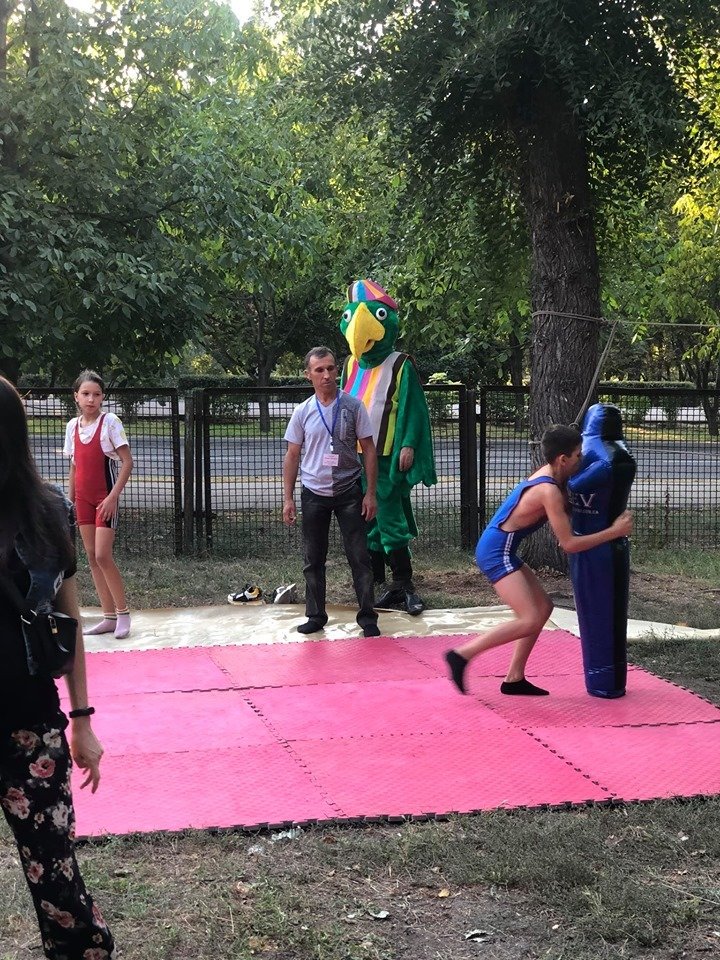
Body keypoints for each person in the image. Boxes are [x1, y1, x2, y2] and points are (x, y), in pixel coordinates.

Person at [0, 375, 115, 960]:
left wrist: (83, 720)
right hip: (31, 722)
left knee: (57, 880)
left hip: (31, 726)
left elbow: (67, 625)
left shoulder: (49, 511)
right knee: (57, 878)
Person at [445, 425, 633, 697]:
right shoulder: (548, 491)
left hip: (502, 547)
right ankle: (461, 655)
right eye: (578, 455)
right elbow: (569, 544)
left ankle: (514, 678)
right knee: (530, 618)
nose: (582, 460)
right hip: (496, 552)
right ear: (563, 459)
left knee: (544, 607)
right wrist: (614, 532)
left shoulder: (551, 476)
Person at [282, 347, 381, 637]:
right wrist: (288, 498)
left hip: (349, 490)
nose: (327, 375)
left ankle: (367, 617)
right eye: (319, 370)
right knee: (313, 559)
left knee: (359, 556)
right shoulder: (302, 411)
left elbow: (369, 449)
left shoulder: (353, 406)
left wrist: (370, 493)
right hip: (314, 492)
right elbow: (292, 454)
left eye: (331, 368)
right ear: (308, 375)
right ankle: (315, 615)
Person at [63, 371, 133, 639]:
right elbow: (74, 467)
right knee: (92, 557)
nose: (91, 399)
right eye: (85, 394)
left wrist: (113, 497)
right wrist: (69, 502)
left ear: (103, 397)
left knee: (103, 555)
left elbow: (127, 462)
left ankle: (123, 613)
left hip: (104, 499)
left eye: (96, 394)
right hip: (82, 500)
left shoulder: (110, 422)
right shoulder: (73, 426)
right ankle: (108, 616)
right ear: (76, 397)